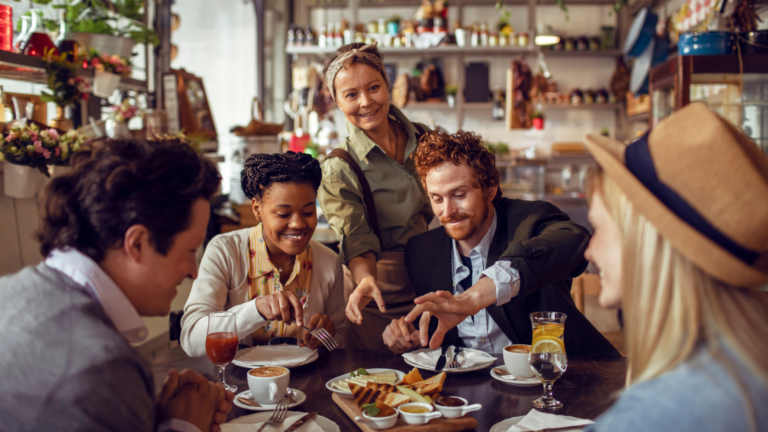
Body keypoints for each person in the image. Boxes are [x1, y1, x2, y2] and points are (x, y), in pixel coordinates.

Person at [0, 139, 234, 432]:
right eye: (190, 251)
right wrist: (183, 428)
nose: (194, 273)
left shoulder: (7, 292)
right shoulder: (103, 367)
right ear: (137, 243)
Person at [581, 104, 768, 430]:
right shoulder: (747, 350)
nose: (589, 251)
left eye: (598, 227)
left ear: (644, 240)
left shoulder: (658, 412)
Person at [384, 130, 618, 357]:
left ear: (490, 189)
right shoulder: (420, 252)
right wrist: (408, 339)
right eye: (437, 198)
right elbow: (439, 333)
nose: (447, 212)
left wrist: (476, 296)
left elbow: (574, 239)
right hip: (466, 391)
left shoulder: (530, 220)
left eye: (459, 195)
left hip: (560, 379)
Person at [181, 152, 346, 356]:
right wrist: (257, 309)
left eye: (308, 212)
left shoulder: (329, 262)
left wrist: (325, 336)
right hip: (236, 384)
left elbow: (342, 339)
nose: (298, 224)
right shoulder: (224, 252)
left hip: (307, 383)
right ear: (257, 209)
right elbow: (191, 338)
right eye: (283, 214)